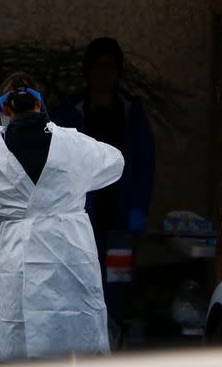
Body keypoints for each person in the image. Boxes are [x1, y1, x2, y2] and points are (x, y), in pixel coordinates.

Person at [0, 72, 125, 361]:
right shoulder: (73, 144)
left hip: (18, 253)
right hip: (70, 250)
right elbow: (115, 163)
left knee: (23, 355)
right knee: (78, 344)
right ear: (39, 105)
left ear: (5, 108)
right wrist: (74, 184)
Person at [53, 38, 155, 340]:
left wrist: (139, 208)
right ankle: (84, 340)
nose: (104, 73)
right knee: (82, 277)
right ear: (87, 70)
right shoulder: (70, 111)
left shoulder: (131, 111)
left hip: (121, 216)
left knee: (118, 280)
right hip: (81, 216)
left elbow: (145, 164)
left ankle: (115, 336)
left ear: (118, 72)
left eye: (111, 67)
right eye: (98, 66)